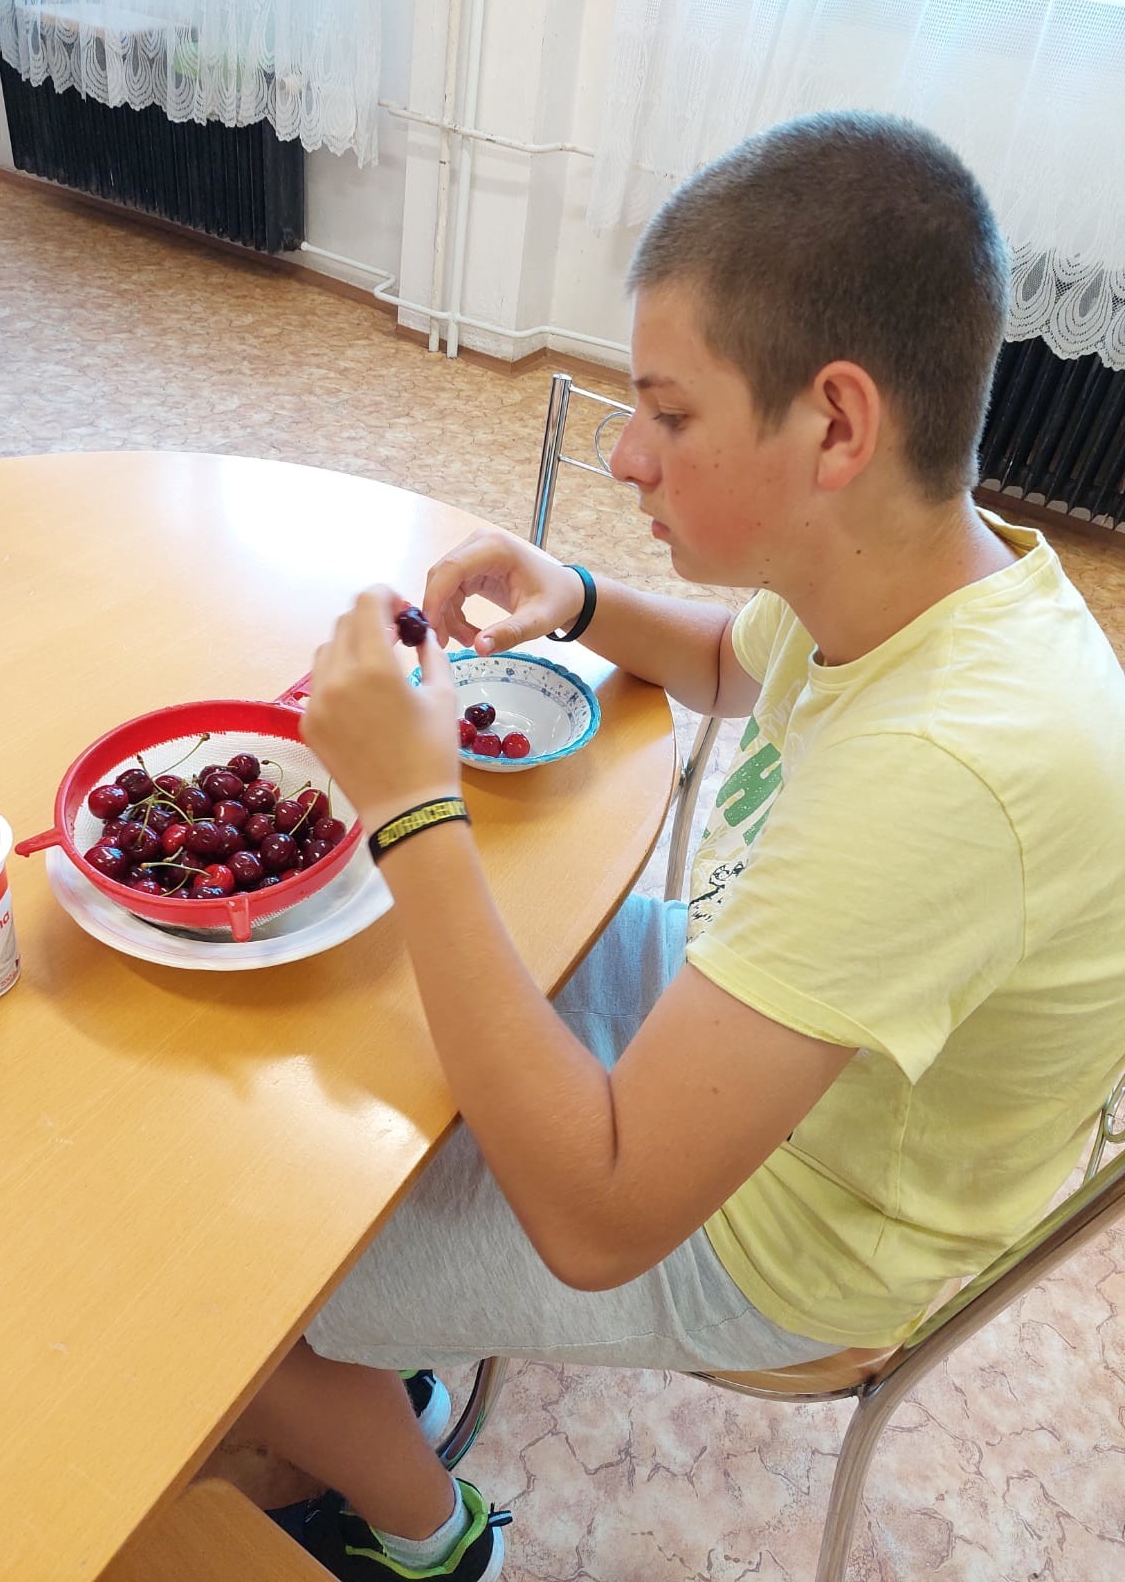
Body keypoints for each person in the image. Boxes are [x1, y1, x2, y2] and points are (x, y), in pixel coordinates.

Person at [236, 111, 1125, 1581]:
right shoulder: (917, 579)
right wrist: (577, 594)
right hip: (745, 1014)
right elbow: (732, 657)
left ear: (836, 426)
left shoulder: (951, 774)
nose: (626, 455)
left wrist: (413, 808)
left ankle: (432, 1538)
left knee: (246, 1280)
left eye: (668, 412)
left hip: (791, 1234)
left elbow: (599, 1219)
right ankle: (394, 1377)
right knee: (368, 1010)